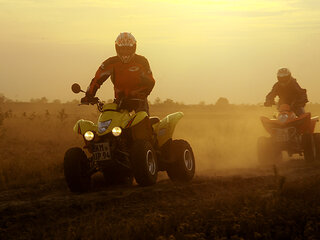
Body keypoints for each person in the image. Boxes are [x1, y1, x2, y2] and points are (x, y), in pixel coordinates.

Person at [81, 32, 155, 115]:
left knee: (143, 121)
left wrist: (139, 95)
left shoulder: (142, 62)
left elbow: (150, 82)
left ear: (134, 48)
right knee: (109, 122)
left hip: (139, 102)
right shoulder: (110, 63)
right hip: (119, 101)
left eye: (128, 49)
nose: (125, 52)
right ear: (117, 48)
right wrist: (89, 95)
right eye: (122, 49)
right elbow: (97, 79)